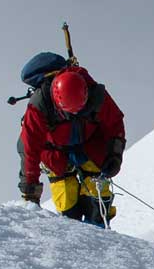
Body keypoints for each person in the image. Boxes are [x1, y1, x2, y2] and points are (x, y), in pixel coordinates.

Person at [16, 56, 126, 226]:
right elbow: (29, 148)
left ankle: (99, 230)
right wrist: (30, 190)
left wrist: (114, 155)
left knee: (98, 196)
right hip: (54, 152)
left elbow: (115, 124)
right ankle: (73, 236)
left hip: (90, 144)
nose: (73, 116)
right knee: (67, 202)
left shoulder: (97, 95)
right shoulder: (39, 106)